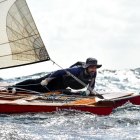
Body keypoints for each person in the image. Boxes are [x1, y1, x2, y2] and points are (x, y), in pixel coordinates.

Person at [12, 58, 102, 96]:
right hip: (56, 77)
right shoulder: (76, 70)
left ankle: (21, 90)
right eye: (91, 67)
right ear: (86, 67)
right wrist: (46, 80)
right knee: (37, 82)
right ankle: (14, 87)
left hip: (62, 85)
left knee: (41, 90)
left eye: (95, 67)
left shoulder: (93, 73)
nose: (93, 69)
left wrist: (88, 91)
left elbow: (91, 84)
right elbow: (59, 72)